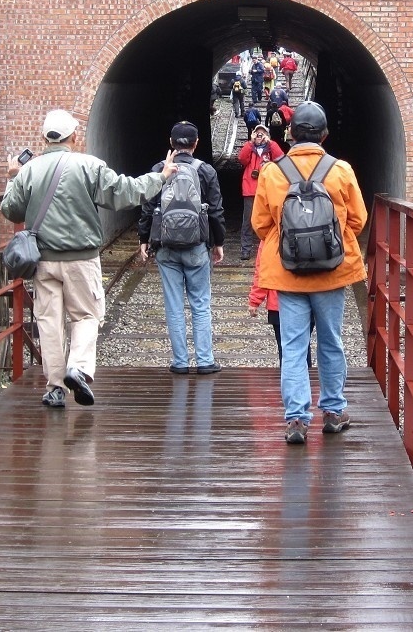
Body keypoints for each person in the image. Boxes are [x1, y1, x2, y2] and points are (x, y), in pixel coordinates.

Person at [2, 109, 176, 409]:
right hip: (81, 259)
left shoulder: (29, 169)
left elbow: (12, 210)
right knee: (86, 315)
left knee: (49, 321)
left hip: (42, 260)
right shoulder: (89, 165)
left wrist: (11, 178)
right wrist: (159, 177)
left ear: (44, 138)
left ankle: (55, 388)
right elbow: (125, 193)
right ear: (74, 136)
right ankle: (78, 367)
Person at [252, 101, 367, 445]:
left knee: (293, 346)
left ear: (289, 134)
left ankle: (297, 421)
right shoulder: (341, 170)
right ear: (325, 135)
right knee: (331, 342)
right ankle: (332, 411)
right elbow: (359, 221)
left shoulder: (273, 172)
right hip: (332, 274)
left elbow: (260, 225)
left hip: (288, 275)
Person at [138, 121, 227, 374]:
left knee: (174, 304)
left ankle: (179, 362)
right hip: (197, 245)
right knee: (200, 303)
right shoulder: (205, 170)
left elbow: (147, 206)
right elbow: (216, 211)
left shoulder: (160, 169)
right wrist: (218, 242)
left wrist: (144, 239)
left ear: (171, 143)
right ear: (196, 143)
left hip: (165, 247)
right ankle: (205, 361)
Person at [248, 252, 311, 368]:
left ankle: (290, 384)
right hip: (310, 295)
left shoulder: (271, 234)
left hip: (279, 300)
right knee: (304, 346)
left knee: (286, 349)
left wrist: (255, 299)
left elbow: (263, 268)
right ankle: (308, 381)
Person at [237, 124, 284, 261]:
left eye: (263, 133)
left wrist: (270, 142)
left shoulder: (270, 149)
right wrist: (250, 142)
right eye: (257, 133)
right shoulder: (249, 148)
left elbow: (281, 158)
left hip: (268, 189)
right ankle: (245, 250)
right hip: (250, 190)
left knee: (271, 220)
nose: (260, 136)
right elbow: (242, 159)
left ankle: (270, 249)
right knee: (248, 222)